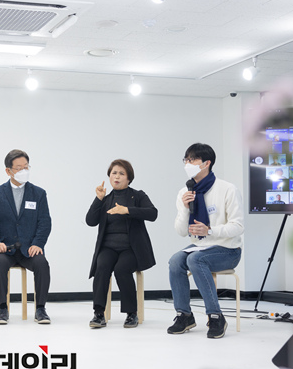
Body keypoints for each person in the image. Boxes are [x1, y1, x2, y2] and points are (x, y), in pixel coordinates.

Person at [167, 143, 244, 339]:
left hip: (228, 249)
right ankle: (184, 315)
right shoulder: (185, 192)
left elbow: (238, 226)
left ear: (206, 163)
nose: (187, 164)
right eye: (186, 160)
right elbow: (181, 232)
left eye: (192, 160)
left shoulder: (227, 189)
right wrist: (185, 209)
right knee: (175, 261)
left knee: (195, 259)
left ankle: (216, 316)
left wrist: (209, 230)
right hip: (200, 246)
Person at [0, 149, 52, 325]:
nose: (24, 171)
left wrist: (38, 243)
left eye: (26, 167)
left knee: (42, 264)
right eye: (19, 168)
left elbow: (45, 222)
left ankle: (41, 309)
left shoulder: (39, 193)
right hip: (5, 249)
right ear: (8, 171)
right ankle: (2, 309)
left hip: (29, 249)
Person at [85, 159, 157, 329]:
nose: (117, 177)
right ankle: (99, 314)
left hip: (131, 248)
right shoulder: (106, 199)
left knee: (121, 269)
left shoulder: (138, 196)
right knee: (102, 267)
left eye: (121, 173)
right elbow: (90, 221)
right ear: (109, 176)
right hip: (108, 247)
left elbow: (153, 214)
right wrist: (98, 199)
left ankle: (131, 314)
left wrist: (127, 210)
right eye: (114, 173)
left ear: (129, 178)